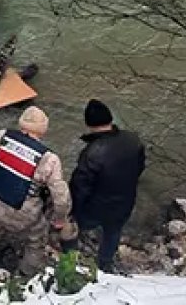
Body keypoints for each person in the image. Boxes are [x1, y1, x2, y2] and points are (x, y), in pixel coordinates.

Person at [0, 106, 71, 293]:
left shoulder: (2, 137)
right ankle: (23, 281)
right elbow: (61, 196)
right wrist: (59, 219)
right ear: (43, 130)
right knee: (36, 243)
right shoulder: (49, 159)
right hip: (25, 214)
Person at [68, 99, 146, 273]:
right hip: (124, 202)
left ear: (89, 124)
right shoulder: (133, 140)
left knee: (76, 226)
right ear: (110, 119)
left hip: (96, 208)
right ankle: (105, 262)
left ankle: (71, 257)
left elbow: (80, 187)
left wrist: (72, 210)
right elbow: (140, 167)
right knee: (113, 232)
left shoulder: (92, 152)